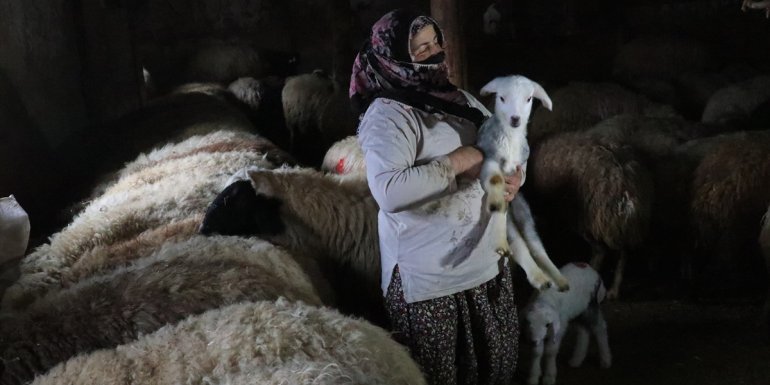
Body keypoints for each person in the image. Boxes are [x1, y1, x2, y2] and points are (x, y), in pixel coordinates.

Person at [350, 8, 523, 385]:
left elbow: (505, 144)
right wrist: (467, 158)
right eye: (419, 49)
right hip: (431, 282)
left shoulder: (456, 98)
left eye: (434, 43)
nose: (433, 53)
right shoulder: (388, 114)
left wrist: (514, 176)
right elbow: (390, 192)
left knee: (495, 372)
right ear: (392, 58)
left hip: (484, 263)